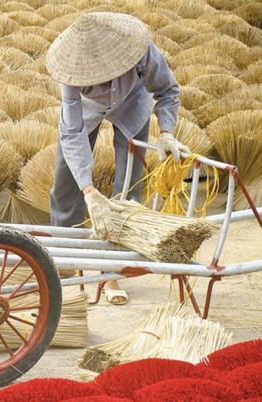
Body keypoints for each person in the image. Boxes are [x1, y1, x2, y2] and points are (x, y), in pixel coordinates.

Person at [44, 12, 190, 305]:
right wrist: (89, 190)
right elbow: (72, 134)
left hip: (132, 105)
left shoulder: (139, 51)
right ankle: (64, 264)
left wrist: (166, 132)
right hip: (87, 111)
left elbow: (167, 90)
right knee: (65, 187)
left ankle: (110, 272)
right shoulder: (72, 74)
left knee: (127, 189)